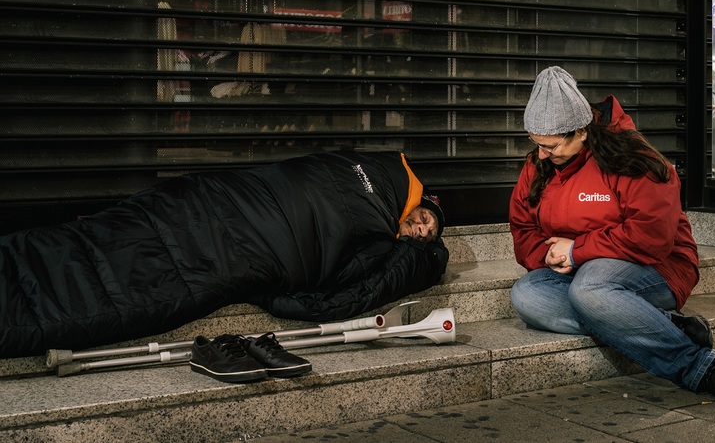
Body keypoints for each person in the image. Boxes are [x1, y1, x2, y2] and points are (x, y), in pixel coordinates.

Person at [0, 150, 449, 359]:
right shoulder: (370, 177)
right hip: (217, 204)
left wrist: (413, 254)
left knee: (109, 273)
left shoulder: (382, 241)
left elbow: (334, 302)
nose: (424, 230)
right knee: (99, 243)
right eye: (427, 220)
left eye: (427, 236)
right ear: (418, 202)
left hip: (235, 240)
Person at [508, 66, 715, 399]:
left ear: (581, 132)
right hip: (581, 272)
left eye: (551, 146)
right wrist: (547, 254)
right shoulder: (541, 164)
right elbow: (522, 225)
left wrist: (577, 250)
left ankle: (698, 366)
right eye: (537, 144)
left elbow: (652, 236)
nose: (542, 154)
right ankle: (666, 325)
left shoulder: (632, 157)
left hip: (657, 267)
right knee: (526, 296)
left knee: (590, 287)